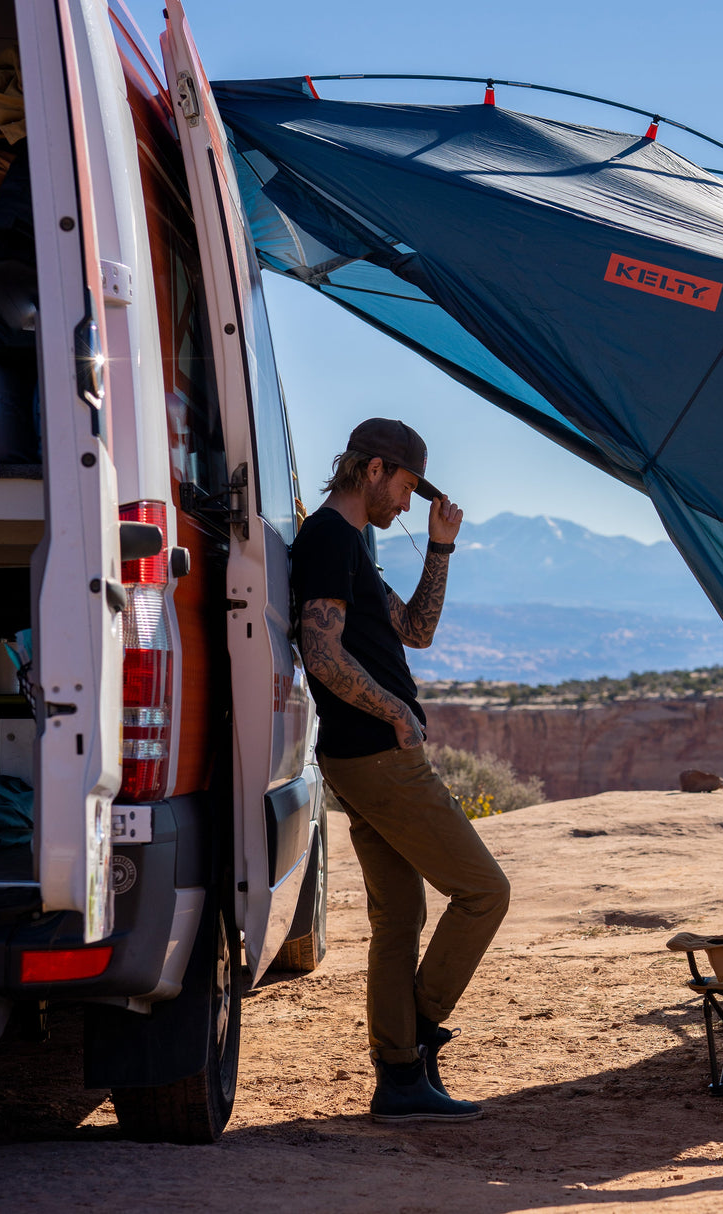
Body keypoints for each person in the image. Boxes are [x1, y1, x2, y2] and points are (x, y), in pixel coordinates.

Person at [290, 418, 510, 1123]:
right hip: (377, 754)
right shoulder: (327, 537)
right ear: (375, 469)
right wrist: (394, 711)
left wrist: (440, 551)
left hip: (363, 753)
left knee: (401, 916)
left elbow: (414, 630)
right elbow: (320, 654)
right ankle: (410, 1047)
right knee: (483, 892)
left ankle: (400, 1080)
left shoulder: (352, 544)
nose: (408, 506)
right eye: (408, 488)